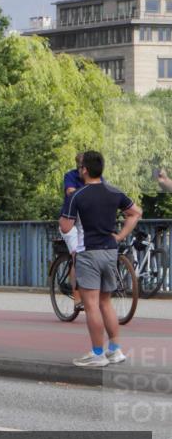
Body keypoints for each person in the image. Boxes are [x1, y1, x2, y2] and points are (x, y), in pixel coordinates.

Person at [60, 151, 143, 368]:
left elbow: (66, 226)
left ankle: (97, 353)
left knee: (91, 305)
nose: (79, 171)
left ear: (85, 170)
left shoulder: (77, 195)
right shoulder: (113, 191)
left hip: (88, 252)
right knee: (106, 302)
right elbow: (135, 212)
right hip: (110, 251)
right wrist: (120, 236)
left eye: (80, 168)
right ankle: (115, 350)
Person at [60, 153, 86, 307]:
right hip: (70, 221)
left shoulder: (97, 178)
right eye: (81, 165)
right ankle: (77, 297)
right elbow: (70, 191)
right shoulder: (71, 176)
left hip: (87, 221)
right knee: (77, 255)